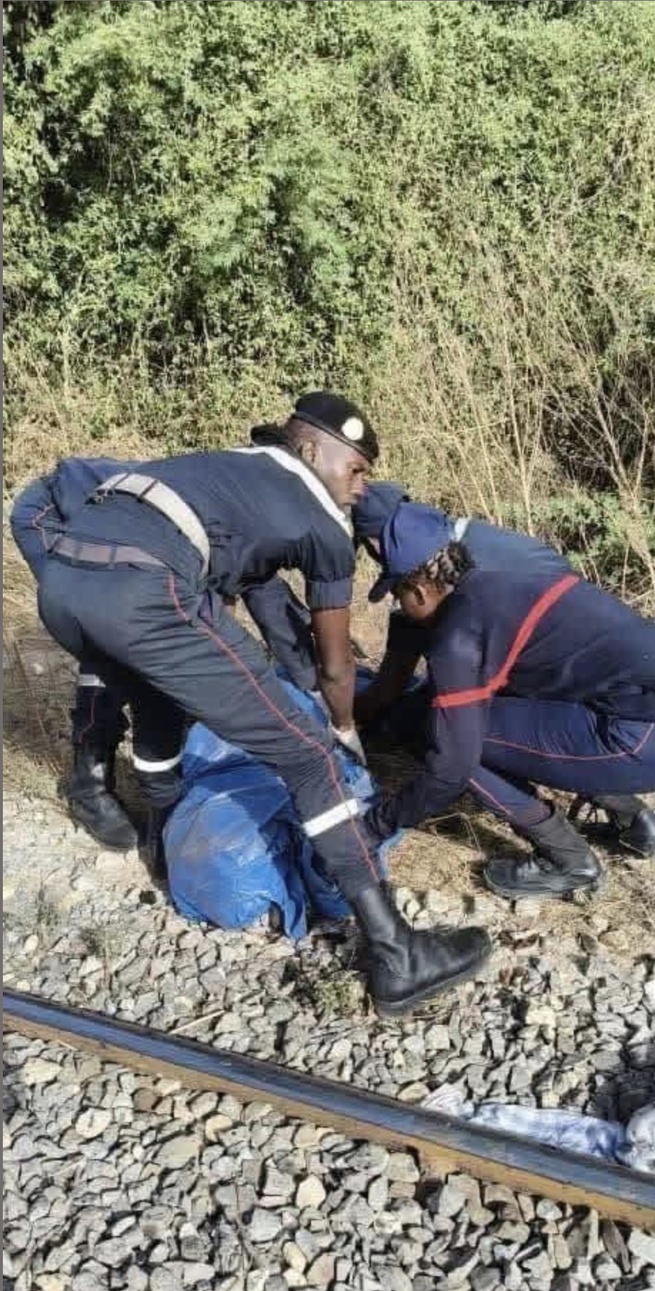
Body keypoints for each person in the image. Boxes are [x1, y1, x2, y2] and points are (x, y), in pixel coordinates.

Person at [34, 392, 491, 1015]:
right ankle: (396, 953)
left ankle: (162, 848)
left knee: (159, 712)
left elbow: (259, 600)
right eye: (355, 468)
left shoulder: (225, 464)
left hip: (64, 583)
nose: (361, 486)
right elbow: (334, 666)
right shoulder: (325, 523)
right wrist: (343, 735)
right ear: (308, 450)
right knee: (310, 761)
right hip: (147, 591)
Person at [11, 454, 321, 849]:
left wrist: (311, 694)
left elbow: (276, 618)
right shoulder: (218, 523)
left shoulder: (238, 533)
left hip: (123, 540)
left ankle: (160, 785)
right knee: (110, 645)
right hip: (51, 515)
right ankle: (89, 782)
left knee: (157, 656)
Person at [359, 504, 655, 897]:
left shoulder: (459, 637)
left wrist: (371, 827)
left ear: (417, 590)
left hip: (636, 740)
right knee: (482, 716)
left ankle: (568, 861)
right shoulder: (505, 581)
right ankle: (635, 823)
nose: (400, 607)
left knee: (449, 738)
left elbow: (450, 770)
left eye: (397, 594)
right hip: (629, 706)